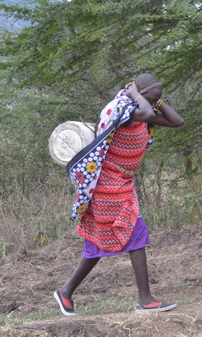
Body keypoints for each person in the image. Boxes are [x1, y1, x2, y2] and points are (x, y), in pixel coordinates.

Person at [54, 74, 184, 316]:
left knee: (97, 243)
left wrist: (155, 101)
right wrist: (134, 93)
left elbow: (178, 121)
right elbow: (145, 113)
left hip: (121, 181)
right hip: (107, 181)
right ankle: (145, 300)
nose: (155, 103)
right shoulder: (122, 108)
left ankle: (66, 292)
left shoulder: (140, 109)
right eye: (152, 98)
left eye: (157, 100)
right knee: (136, 230)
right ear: (138, 93)